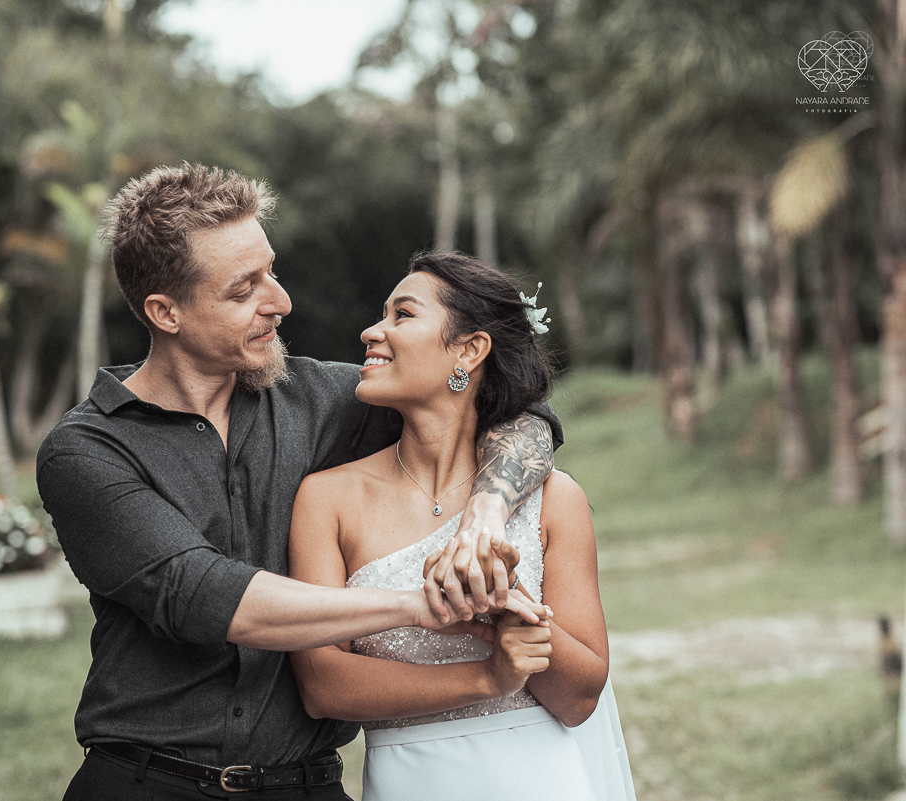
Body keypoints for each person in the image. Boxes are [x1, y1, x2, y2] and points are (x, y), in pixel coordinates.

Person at [37, 163, 562, 800]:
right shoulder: (87, 450)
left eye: (271, 272)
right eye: (242, 291)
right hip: (146, 784)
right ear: (164, 311)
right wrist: (420, 607)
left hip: (306, 786)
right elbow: (201, 593)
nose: (279, 302)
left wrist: (487, 506)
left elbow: (518, 412)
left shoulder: (324, 399)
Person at [288, 251, 636, 801]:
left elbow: (581, 698)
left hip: (539, 777)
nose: (371, 331)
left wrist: (508, 605)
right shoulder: (327, 498)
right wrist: (489, 676)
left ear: (470, 351)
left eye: (402, 315)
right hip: (408, 780)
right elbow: (321, 686)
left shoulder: (553, 498)